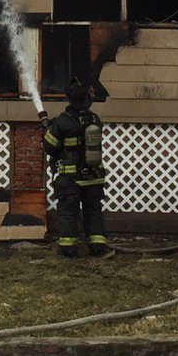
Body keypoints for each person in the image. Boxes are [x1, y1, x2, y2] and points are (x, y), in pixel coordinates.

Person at [42, 78, 113, 259]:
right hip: (94, 176)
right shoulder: (94, 119)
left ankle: (68, 248)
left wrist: (47, 130)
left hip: (71, 178)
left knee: (68, 212)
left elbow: (50, 147)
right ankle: (98, 247)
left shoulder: (63, 121)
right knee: (93, 211)